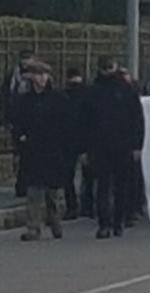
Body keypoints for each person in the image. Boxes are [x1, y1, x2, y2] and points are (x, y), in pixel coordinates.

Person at [10, 61, 71, 241]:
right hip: (33, 151)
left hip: (53, 150)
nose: (41, 78)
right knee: (34, 191)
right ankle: (33, 227)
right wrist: (20, 138)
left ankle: (55, 219)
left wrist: (65, 145)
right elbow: (17, 123)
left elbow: (67, 123)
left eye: (44, 75)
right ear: (32, 78)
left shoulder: (58, 98)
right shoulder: (25, 101)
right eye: (38, 74)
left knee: (53, 192)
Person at [85, 56, 145, 239]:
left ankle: (119, 221)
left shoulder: (126, 90)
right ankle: (104, 224)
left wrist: (137, 145)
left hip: (123, 145)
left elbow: (137, 119)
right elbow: (85, 122)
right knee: (103, 186)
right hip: (100, 147)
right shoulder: (94, 91)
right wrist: (86, 148)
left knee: (121, 186)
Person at [0, 49, 36, 197]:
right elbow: (4, 97)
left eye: (29, 59)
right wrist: (4, 119)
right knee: (21, 153)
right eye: (24, 59)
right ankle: (22, 185)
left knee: (30, 154)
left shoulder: (38, 76)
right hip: (17, 120)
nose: (26, 62)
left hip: (34, 121)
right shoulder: (12, 76)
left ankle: (27, 184)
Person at [62, 68, 89, 220]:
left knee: (68, 176)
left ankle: (72, 206)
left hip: (68, 141)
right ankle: (87, 206)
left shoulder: (64, 95)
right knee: (89, 176)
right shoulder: (89, 94)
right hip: (86, 141)